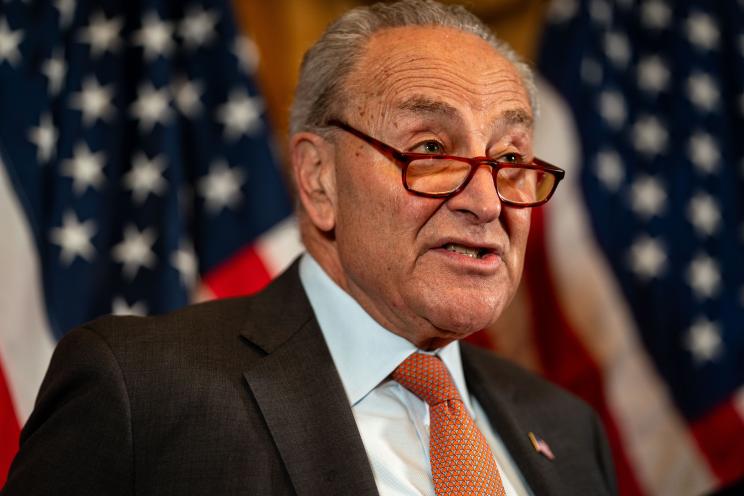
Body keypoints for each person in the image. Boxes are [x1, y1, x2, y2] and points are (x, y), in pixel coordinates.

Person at [2, 1, 617, 494]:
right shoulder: (140, 390)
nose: (486, 202)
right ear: (319, 178)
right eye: (430, 149)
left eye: (510, 158)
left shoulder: (567, 427)